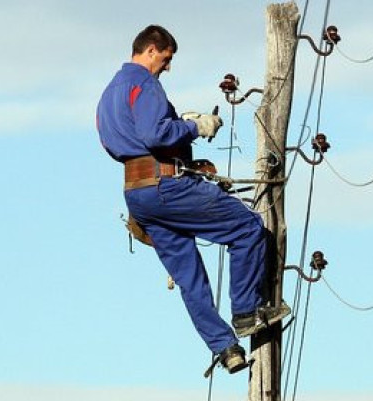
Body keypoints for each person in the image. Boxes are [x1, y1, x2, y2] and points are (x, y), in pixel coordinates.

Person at [96, 25, 289, 374]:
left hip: (137, 194)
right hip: (165, 186)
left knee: (189, 276)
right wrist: (194, 127)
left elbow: (115, 144)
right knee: (246, 228)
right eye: (166, 59)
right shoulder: (145, 84)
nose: (167, 67)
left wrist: (176, 128)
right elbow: (155, 135)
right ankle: (247, 312)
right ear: (151, 50)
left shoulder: (110, 93)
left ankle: (225, 347)